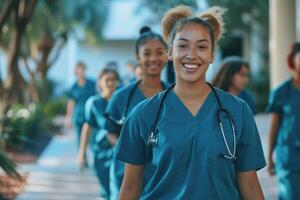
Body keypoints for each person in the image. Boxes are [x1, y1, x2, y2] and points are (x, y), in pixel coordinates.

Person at [115, 6, 266, 199]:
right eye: (183, 45)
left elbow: (251, 186)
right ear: (170, 52)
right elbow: (129, 189)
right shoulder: (144, 114)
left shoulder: (238, 111)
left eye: (202, 47)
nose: (191, 54)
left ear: (211, 55)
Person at [104, 26, 168, 200]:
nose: (153, 58)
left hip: (163, 177)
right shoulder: (121, 97)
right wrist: (131, 150)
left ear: (167, 54)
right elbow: (110, 131)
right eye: (147, 53)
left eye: (159, 52)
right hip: (124, 175)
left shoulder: (176, 96)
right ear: (137, 57)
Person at [78, 68, 120, 199]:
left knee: (118, 189)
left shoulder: (123, 102)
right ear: (100, 82)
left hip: (120, 153)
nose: (110, 83)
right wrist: (82, 152)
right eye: (107, 80)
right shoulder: (94, 103)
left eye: (113, 80)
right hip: (100, 152)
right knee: (105, 190)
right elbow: (87, 127)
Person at [266, 42, 300, 200]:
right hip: (289, 156)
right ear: (293, 60)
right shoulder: (281, 92)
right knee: (291, 195)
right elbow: (275, 125)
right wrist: (269, 156)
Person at [65, 62, 96, 149]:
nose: (81, 72)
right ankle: (83, 158)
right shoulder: (73, 87)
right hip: (78, 116)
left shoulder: (92, 84)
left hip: (90, 115)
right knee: (80, 139)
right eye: (79, 70)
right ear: (76, 72)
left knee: (91, 139)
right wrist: (68, 117)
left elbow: (96, 98)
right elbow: (71, 103)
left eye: (83, 70)